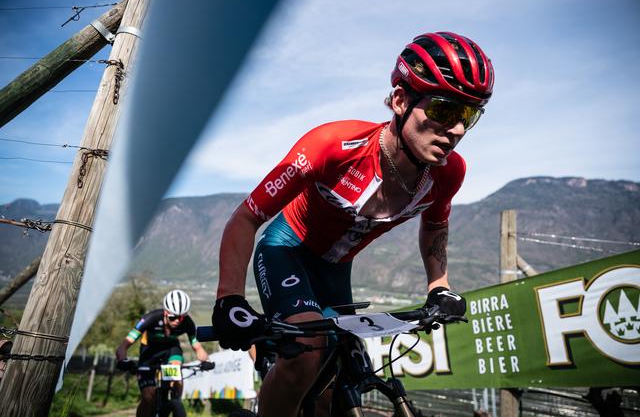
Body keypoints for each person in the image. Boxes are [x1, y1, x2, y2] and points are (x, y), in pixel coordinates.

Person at [212, 31, 494, 416]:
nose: (458, 130)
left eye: (468, 116)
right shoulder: (332, 147)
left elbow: (435, 226)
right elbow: (247, 218)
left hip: (336, 269)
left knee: (335, 380)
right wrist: (229, 299)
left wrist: (439, 287)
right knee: (307, 355)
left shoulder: (448, 174)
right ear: (400, 100)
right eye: (445, 111)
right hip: (287, 249)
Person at [116, 289, 211, 417]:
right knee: (149, 396)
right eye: (173, 317)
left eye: (181, 317)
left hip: (170, 350)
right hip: (149, 352)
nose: (177, 321)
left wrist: (206, 361)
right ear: (166, 313)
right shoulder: (151, 318)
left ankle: (175, 402)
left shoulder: (187, 322)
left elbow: (197, 347)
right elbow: (123, 346)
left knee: (176, 370)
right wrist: (123, 360)